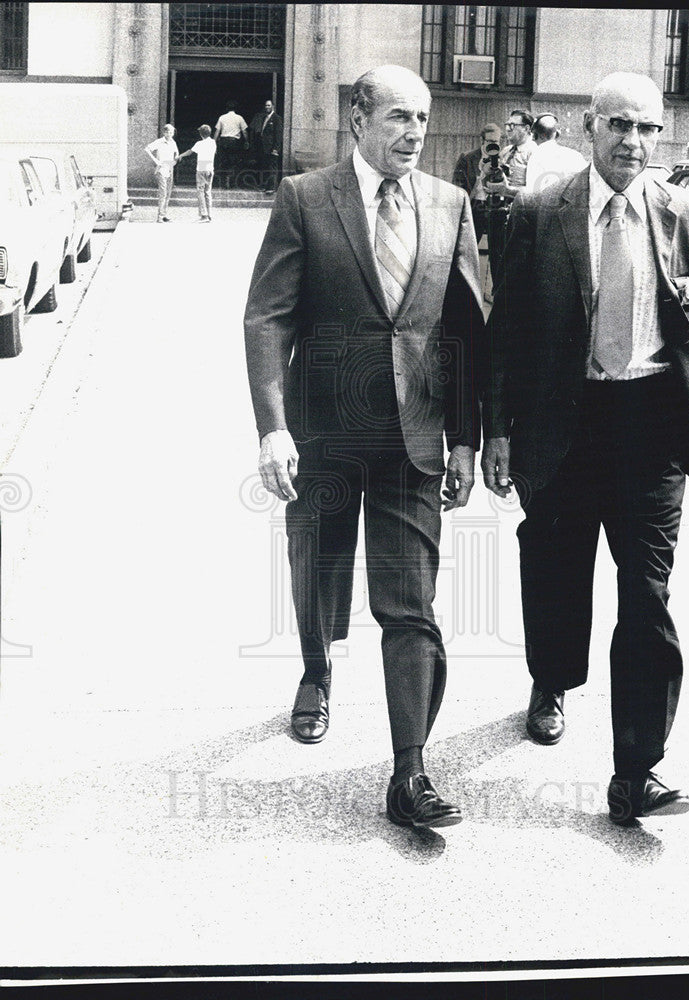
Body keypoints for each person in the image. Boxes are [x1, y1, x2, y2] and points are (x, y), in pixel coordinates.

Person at [243, 64, 485, 830]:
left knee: (410, 605)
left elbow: (470, 333)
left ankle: (410, 771)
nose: (415, 132)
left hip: (415, 438)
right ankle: (315, 670)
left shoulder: (452, 204)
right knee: (316, 566)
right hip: (323, 434)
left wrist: (467, 440)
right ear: (358, 120)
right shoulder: (306, 198)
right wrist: (273, 426)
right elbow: (267, 318)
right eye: (398, 118)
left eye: (423, 118)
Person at [481, 72, 689, 825]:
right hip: (564, 418)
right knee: (556, 573)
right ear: (589, 127)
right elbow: (507, 327)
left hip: (650, 426)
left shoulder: (685, 213)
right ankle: (551, 680)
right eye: (620, 124)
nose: (635, 141)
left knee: (647, 598)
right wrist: (496, 428)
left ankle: (636, 771)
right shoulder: (536, 211)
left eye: (649, 129)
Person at [482, 110, 537, 284]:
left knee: (514, 269)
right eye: (507, 125)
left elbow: (536, 192)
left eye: (513, 126)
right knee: (496, 263)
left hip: (520, 217)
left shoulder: (534, 153)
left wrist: (507, 190)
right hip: (497, 213)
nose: (508, 129)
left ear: (527, 129)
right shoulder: (505, 151)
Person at [451, 122, 502, 245]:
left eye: (496, 142)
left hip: (495, 208)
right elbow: (457, 186)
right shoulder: (467, 158)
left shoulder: (503, 158)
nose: (493, 145)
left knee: (497, 249)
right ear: (482, 140)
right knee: (467, 246)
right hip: (474, 206)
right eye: (490, 141)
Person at [524, 112, 587, 194]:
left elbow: (532, 194)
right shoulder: (576, 155)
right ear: (556, 134)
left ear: (535, 135)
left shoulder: (536, 157)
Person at [176, 124, 217, 222]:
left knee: (200, 192)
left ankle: (204, 215)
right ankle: (209, 214)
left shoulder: (199, 143)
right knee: (208, 192)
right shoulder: (213, 142)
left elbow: (190, 152)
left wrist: (180, 155)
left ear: (201, 134)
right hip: (210, 168)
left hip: (201, 168)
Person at [144, 124, 179, 223]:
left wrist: (175, 160)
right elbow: (147, 149)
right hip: (161, 169)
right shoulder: (159, 142)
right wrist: (155, 160)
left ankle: (164, 215)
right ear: (164, 132)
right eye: (167, 132)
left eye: (171, 132)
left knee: (168, 194)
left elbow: (176, 153)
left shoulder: (173, 142)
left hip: (169, 169)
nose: (169, 134)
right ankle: (159, 216)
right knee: (162, 193)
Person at [249, 99, 283, 194]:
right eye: (266, 105)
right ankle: (265, 186)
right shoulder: (265, 118)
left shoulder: (277, 118)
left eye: (268, 105)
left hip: (272, 148)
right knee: (265, 167)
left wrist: (276, 148)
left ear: (273, 106)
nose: (267, 107)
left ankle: (271, 188)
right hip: (264, 148)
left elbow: (278, 135)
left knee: (272, 168)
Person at [214, 100, 249, 189]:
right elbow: (244, 131)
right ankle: (233, 183)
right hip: (234, 142)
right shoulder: (239, 118)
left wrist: (213, 142)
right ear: (235, 109)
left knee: (223, 163)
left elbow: (217, 131)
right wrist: (246, 141)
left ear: (227, 108)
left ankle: (223, 184)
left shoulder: (222, 117)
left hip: (224, 141)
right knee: (234, 163)